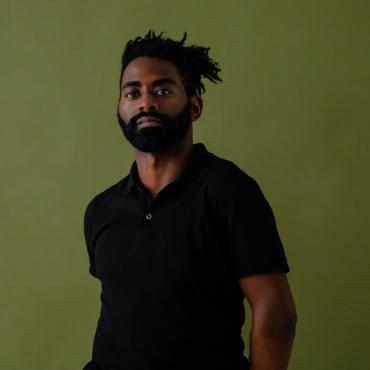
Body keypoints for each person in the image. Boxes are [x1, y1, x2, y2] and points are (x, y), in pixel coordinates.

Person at [82, 30, 297, 370]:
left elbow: (277, 316)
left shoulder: (229, 191)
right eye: (132, 92)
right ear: (121, 108)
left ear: (194, 106)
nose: (146, 102)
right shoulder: (101, 209)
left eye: (163, 90)